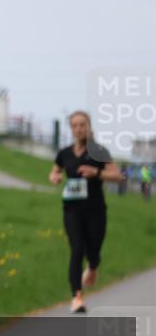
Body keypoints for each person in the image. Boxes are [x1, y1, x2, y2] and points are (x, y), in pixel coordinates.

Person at [48, 111, 119, 313]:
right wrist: (54, 176)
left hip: (95, 210)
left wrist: (96, 172)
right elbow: (55, 170)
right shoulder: (64, 153)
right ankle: (76, 297)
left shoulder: (99, 151)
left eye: (82, 124)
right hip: (72, 210)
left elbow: (117, 175)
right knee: (76, 249)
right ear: (71, 129)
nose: (79, 128)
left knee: (93, 250)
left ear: (89, 127)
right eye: (75, 125)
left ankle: (93, 265)